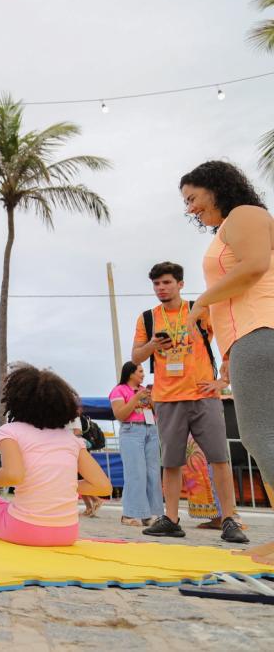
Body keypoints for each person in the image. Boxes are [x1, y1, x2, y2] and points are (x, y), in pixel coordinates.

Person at [180, 160, 274, 562]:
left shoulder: (245, 215)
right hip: (249, 338)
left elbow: (256, 267)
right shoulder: (234, 223)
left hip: (260, 332)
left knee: (261, 436)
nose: (190, 209)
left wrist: (202, 300)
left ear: (216, 187)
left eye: (193, 198)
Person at [131, 261, 248, 543]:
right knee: (171, 461)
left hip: (204, 395)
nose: (161, 288)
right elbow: (135, 357)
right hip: (167, 398)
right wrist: (152, 347)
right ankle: (171, 519)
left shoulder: (200, 309)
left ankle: (230, 519)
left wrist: (224, 379)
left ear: (180, 284)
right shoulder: (148, 318)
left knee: (219, 457)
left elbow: (228, 336)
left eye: (167, 282)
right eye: (157, 284)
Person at [0, 364, 112, 547]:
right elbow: (103, 486)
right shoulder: (71, 439)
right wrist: (59, 484)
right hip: (67, 534)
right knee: (5, 505)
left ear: (15, 401)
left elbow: (13, 474)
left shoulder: (10, 431)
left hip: (23, 530)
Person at [109, 361, 163, 527]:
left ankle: (152, 513)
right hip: (132, 431)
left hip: (151, 430)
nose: (143, 374)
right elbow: (120, 415)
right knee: (136, 472)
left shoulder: (144, 391)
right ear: (130, 373)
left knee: (153, 473)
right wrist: (135, 398)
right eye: (139, 371)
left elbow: (157, 413)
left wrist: (152, 398)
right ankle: (130, 513)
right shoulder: (118, 391)